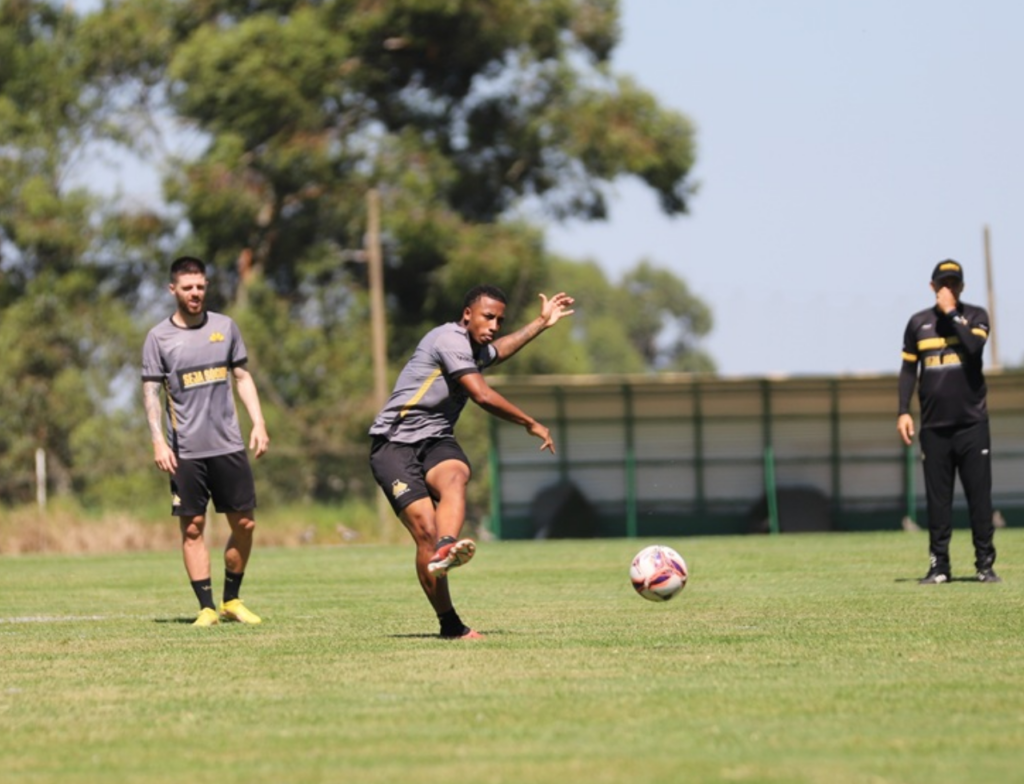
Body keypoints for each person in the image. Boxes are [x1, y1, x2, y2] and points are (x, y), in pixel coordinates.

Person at [369, 284, 575, 639]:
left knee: (457, 474)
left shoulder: (474, 348)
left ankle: (447, 546)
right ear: (467, 315)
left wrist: (540, 324)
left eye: (500, 319)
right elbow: (480, 394)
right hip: (394, 443)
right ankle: (450, 623)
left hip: (434, 439)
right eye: (488, 317)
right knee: (424, 531)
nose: (495, 325)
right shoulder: (449, 339)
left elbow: (498, 351)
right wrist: (530, 422)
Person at [142, 256, 271, 626]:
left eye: (200, 286)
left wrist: (259, 422)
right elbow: (151, 393)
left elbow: (243, 378)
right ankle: (206, 608)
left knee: (244, 524)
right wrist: (158, 442)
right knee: (193, 526)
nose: (195, 293)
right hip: (185, 450)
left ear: (206, 287)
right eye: (187, 287)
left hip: (228, 445)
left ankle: (232, 600)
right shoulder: (158, 338)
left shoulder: (226, 327)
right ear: (173, 290)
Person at [897, 259, 999, 584]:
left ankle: (985, 564)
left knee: (979, 498)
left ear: (962, 288)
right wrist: (903, 411)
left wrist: (952, 314)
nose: (948, 289)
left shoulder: (977, 317)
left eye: (954, 283)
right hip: (934, 427)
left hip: (972, 425)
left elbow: (973, 348)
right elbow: (908, 371)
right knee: (938, 502)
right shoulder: (918, 323)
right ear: (932, 287)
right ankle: (939, 566)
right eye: (943, 284)